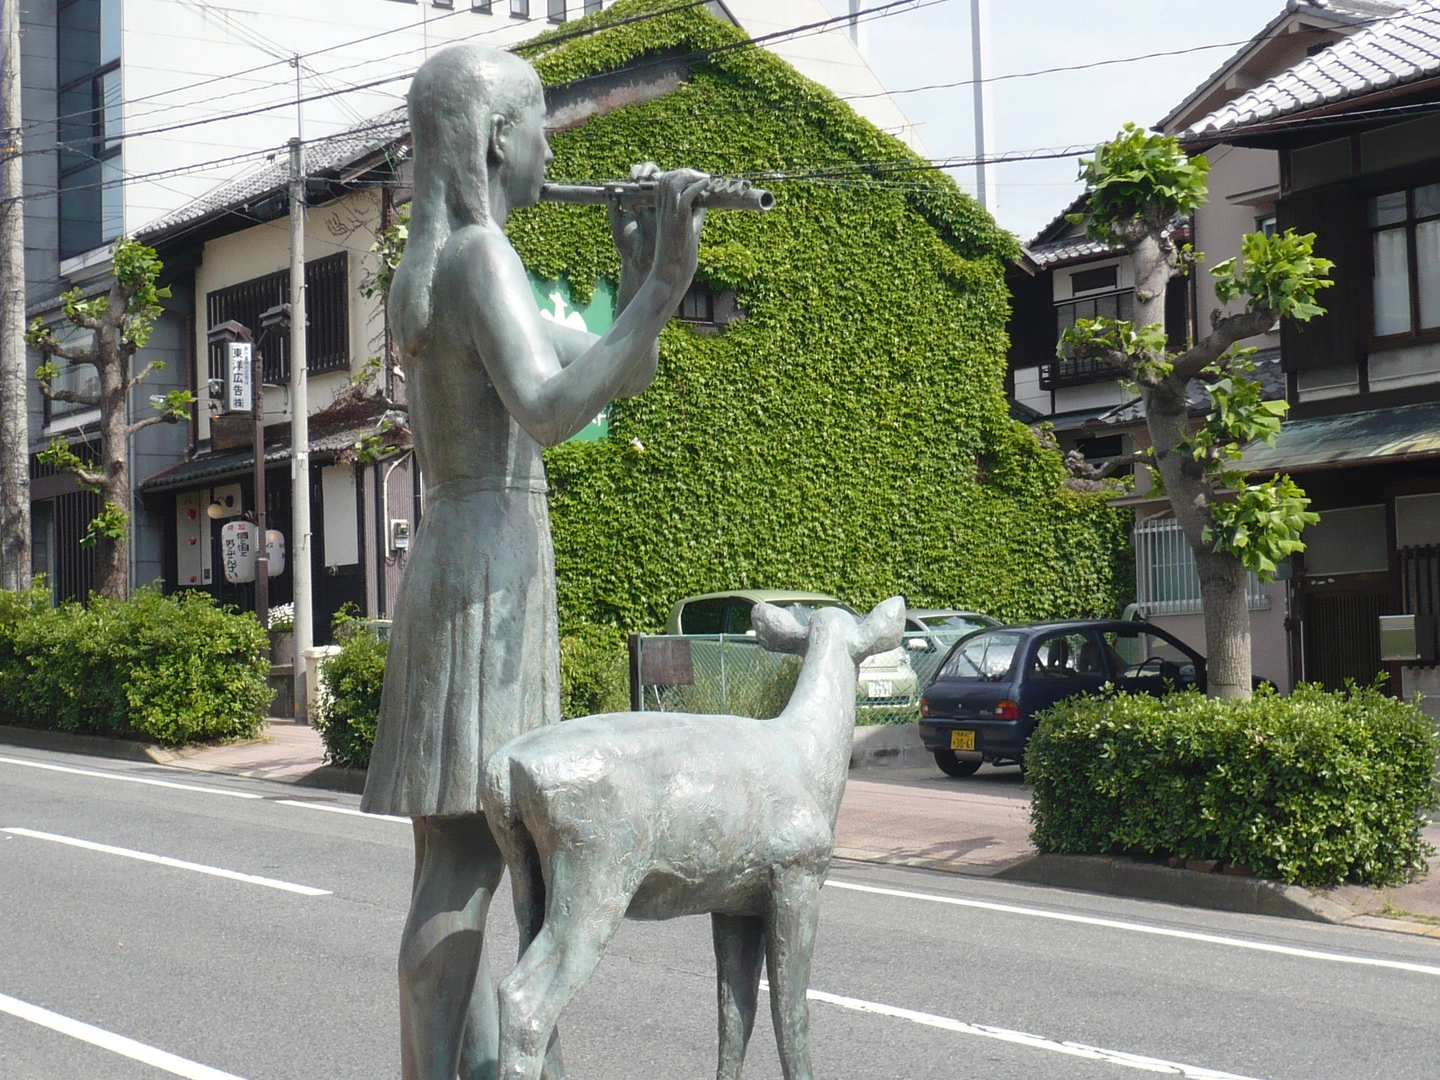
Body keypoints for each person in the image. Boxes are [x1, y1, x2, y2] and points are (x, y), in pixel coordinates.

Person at [359, 43, 708, 1080]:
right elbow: (552, 411)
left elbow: (614, 377)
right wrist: (664, 286)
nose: (552, 150)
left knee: (456, 858)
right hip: (490, 571)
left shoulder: (432, 264)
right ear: (496, 139)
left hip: (456, 553)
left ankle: (471, 1066)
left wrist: (639, 283)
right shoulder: (481, 257)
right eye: (541, 127)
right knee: (474, 858)